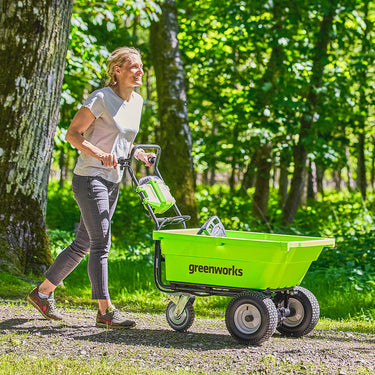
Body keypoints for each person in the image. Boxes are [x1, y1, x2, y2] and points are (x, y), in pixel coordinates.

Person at [27, 46, 154, 329]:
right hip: (89, 178)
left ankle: (42, 292)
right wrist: (100, 155)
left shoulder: (138, 102)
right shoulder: (100, 98)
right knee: (101, 243)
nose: (140, 71)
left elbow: (124, 140)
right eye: (133, 66)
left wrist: (138, 154)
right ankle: (104, 310)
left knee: (83, 243)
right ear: (116, 70)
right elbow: (73, 134)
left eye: (141, 66)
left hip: (113, 180)